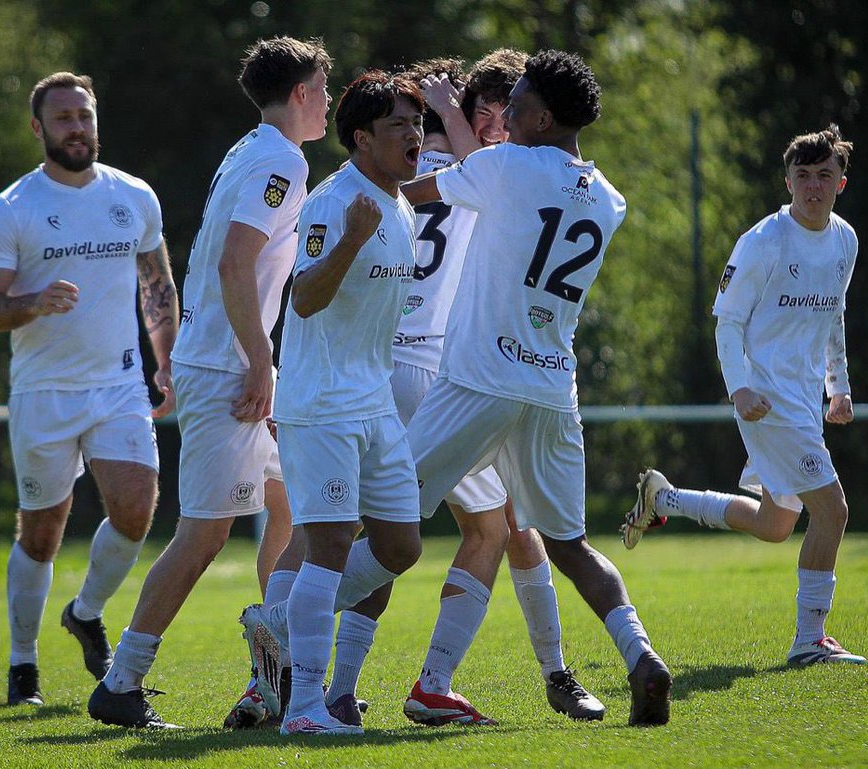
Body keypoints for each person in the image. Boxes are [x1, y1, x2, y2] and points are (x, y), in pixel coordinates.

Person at [322, 50, 604, 727]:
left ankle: (324, 682)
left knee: (384, 534)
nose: (503, 124)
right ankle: (496, 676)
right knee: (498, 528)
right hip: (437, 371)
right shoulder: (490, 172)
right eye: (489, 110)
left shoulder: (400, 162)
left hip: (382, 366)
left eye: (511, 111)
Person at [399, 50, 672, 727]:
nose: (504, 115)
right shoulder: (608, 197)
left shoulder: (505, 166)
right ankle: (640, 655)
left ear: (544, 115)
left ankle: (287, 645)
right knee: (569, 544)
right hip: (553, 388)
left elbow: (414, 194)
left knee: (389, 518)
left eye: (514, 103)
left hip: (478, 379)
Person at [85, 37, 333, 730]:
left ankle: (277, 676)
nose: (329, 103)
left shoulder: (250, 148)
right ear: (303, 93)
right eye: (324, 88)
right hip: (230, 367)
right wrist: (258, 361)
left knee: (293, 506)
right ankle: (122, 682)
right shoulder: (280, 159)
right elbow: (232, 263)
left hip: (235, 359)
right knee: (203, 533)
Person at [0, 72, 178, 707]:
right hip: (44, 393)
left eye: (84, 115)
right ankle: (22, 664)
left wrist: (165, 362)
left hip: (117, 385)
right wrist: (31, 302)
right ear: (39, 129)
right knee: (41, 533)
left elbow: (157, 285)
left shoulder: (133, 196)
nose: (77, 128)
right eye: (62, 119)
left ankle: (86, 612)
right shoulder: (13, 208)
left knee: (137, 508)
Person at [621, 125, 865, 668]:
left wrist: (838, 387)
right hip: (767, 402)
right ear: (788, 182)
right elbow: (727, 323)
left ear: (841, 183)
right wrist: (741, 389)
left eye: (824, 175)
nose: (813, 187)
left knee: (775, 526)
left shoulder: (845, 239)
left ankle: (664, 500)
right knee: (834, 511)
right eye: (803, 176)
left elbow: (834, 317)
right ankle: (810, 642)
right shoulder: (763, 242)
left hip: (803, 402)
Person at [239, 71, 426, 736]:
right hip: (320, 404)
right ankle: (307, 710)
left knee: (401, 544)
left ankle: (280, 622)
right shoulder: (334, 203)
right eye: (399, 124)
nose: (415, 134)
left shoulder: (400, 205)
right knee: (326, 547)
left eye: (418, 122)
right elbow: (307, 297)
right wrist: (349, 240)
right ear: (360, 138)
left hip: (372, 402)